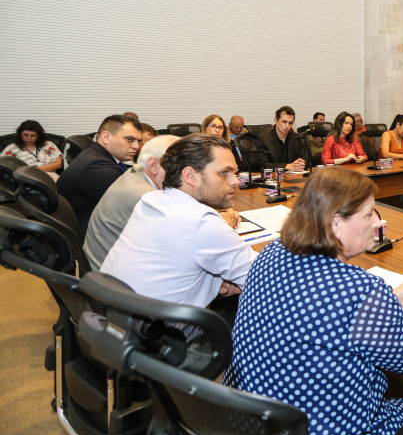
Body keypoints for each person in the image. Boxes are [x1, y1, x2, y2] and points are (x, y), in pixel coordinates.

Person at [224, 168, 403, 435]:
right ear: (335, 223)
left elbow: (314, 309)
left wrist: (389, 300)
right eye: (368, 215)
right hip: (325, 429)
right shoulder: (360, 290)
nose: (377, 224)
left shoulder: (273, 251)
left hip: (255, 418)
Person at [100, 134, 257, 307]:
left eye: (234, 172)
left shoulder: (151, 201)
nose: (236, 181)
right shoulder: (202, 222)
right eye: (224, 173)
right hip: (169, 330)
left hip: (116, 320)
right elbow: (265, 280)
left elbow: (173, 264)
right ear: (190, 175)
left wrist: (213, 282)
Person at [84, 135, 180, 270]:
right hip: (113, 282)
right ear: (154, 165)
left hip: (102, 270)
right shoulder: (148, 198)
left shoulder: (134, 173)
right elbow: (177, 249)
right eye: (180, 166)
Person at [58, 115, 141, 233]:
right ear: (106, 137)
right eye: (129, 139)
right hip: (91, 235)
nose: (136, 146)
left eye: (138, 141)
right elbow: (135, 206)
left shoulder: (95, 155)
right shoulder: (97, 166)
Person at [258, 106, 308, 172]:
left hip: (295, 177)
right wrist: (287, 166)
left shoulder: (296, 138)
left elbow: (306, 160)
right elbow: (263, 165)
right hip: (275, 178)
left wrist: (301, 164)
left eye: (290, 123)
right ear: (276, 120)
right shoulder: (263, 138)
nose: (287, 126)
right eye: (284, 122)